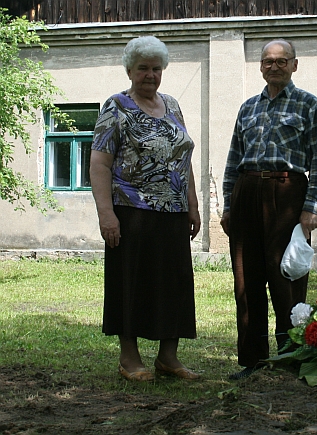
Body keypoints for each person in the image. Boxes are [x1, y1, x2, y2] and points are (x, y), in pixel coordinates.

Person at [90, 35, 201, 382]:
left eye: (156, 68)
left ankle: (169, 357)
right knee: (133, 281)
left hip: (173, 212)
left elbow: (183, 160)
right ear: (130, 70)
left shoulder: (172, 105)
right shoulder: (116, 106)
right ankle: (129, 358)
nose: (150, 75)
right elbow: (100, 164)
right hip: (131, 211)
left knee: (175, 282)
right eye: (143, 68)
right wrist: (106, 214)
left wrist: (193, 206)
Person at [220, 39, 317, 380]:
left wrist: (311, 208)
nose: (274, 66)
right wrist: (228, 206)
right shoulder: (247, 108)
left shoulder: (308, 105)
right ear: (260, 67)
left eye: (282, 61)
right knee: (246, 282)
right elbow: (233, 161)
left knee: (287, 279)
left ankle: (290, 357)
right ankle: (252, 363)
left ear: (294, 65)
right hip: (247, 194)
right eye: (268, 61)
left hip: (287, 196)